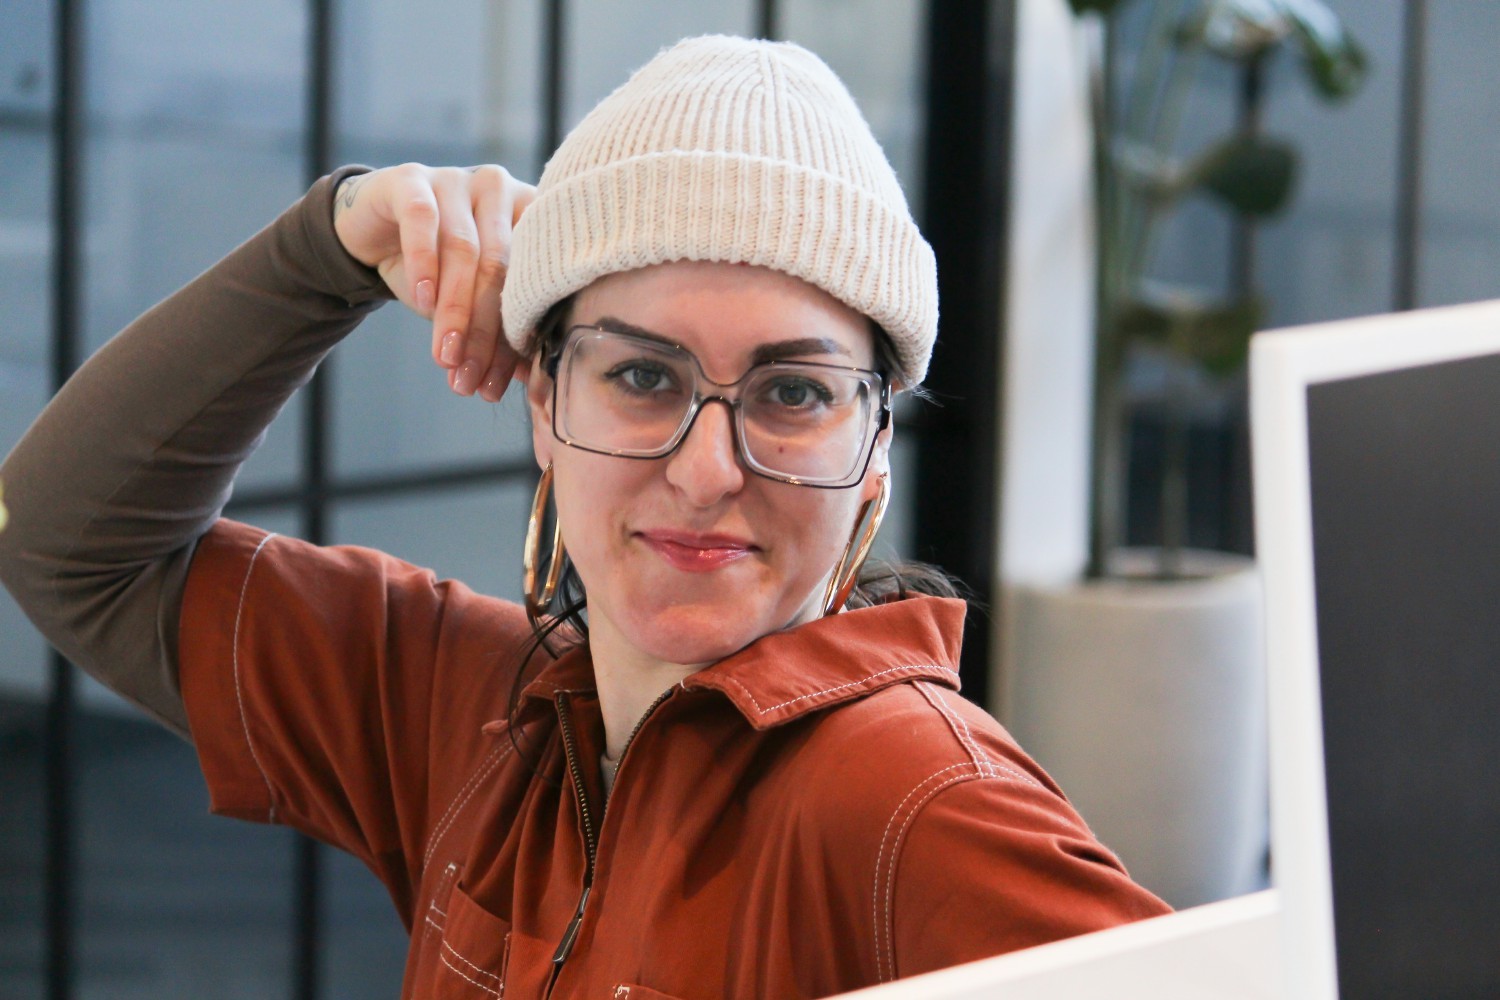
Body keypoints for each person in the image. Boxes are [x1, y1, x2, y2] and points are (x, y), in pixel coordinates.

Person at [0, 35, 1168, 999]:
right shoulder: (471, 710)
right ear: (545, 405)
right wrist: (332, 249)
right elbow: (71, 545)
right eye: (644, 376)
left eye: (794, 393)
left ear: (875, 448)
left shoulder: (916, 800)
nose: (708, 471)